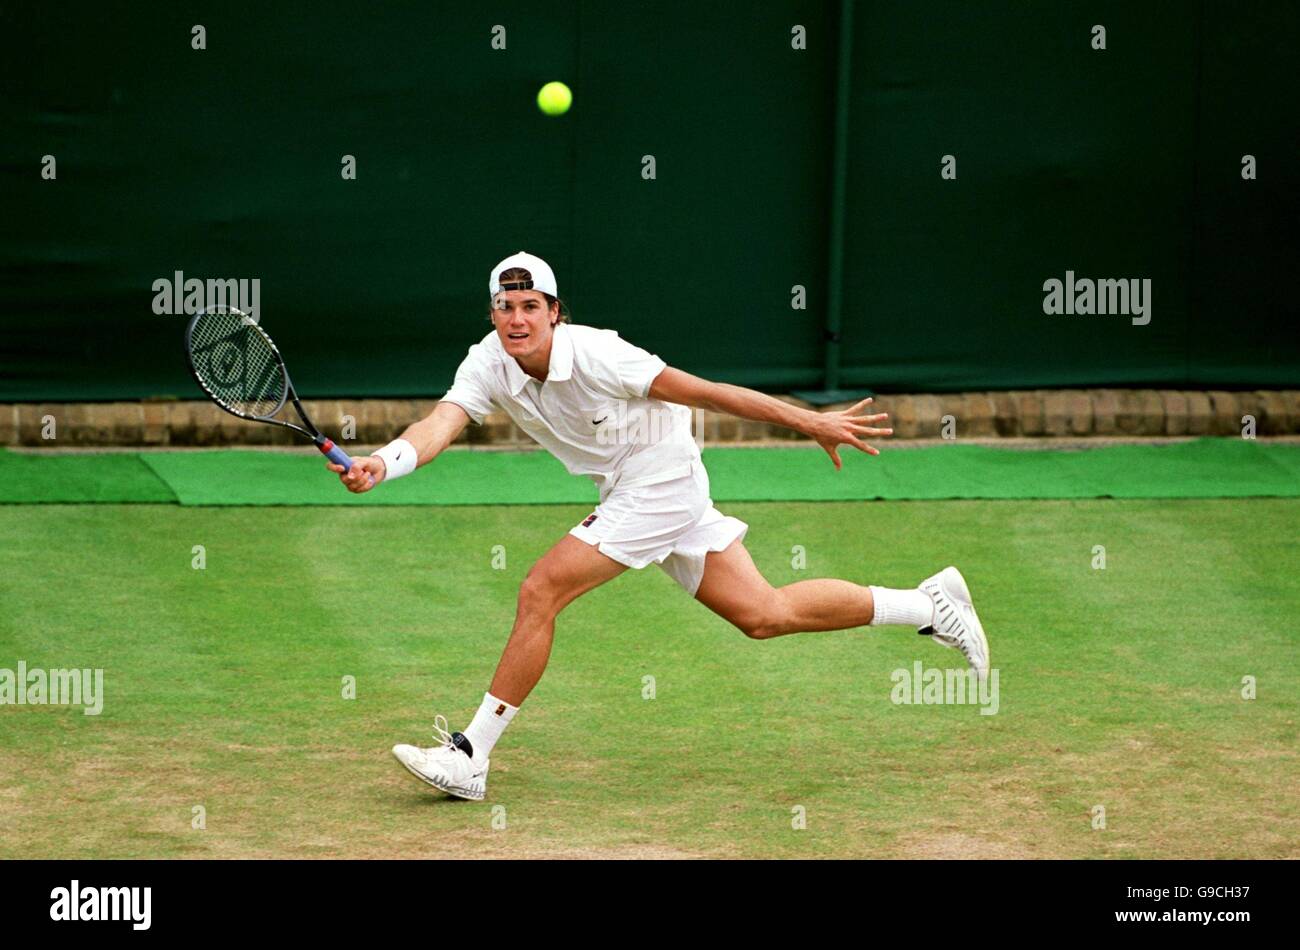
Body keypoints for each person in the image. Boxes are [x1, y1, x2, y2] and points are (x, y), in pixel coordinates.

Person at [329, 251, 990, 801]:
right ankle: (929, 606)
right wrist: (382, 464)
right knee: (764, 614)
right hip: (631, 485)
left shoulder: (600, 355)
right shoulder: (487, 362)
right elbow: (441, 423)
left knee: (541, 589)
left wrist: (809, 420)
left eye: (532, 306)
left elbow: (705, 392)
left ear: (556, 313)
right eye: (506, 306)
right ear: (493, 314)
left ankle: (471, 756)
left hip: (662, 478)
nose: (517, 317)